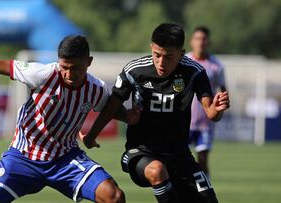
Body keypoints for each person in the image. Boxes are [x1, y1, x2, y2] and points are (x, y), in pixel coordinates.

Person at [0, 35, 136, 203]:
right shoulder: (42, 74)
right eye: (64, 67)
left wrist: (127, 116)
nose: (68, 74)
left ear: (89, 61)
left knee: (114, 196)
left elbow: (111, 108)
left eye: (75, 68)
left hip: (65, 159)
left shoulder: (96, 89)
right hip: (23, 157)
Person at [82, 23, 230, 203]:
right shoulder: (135, 71)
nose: (161, 62)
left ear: (181, 54)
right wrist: (91, 136)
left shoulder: (194, 72)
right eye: (157, 55)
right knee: (157, 171)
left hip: (180, 156)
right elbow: (111, 106)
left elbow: (212, 114)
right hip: (141, 153)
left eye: (168, 57)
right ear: (151, 47)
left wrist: (218, 108)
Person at [187, 26, 227, 178]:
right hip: (185, 121)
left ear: (208, 42)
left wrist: (221, 106)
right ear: (192, 41)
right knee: (180, 159)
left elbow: (222, 90)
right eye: (197, 39)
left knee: (202, 159)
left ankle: (205, 193)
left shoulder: (216, 65)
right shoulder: (185, 62)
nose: (200, 42)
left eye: (203, 39)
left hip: (205, 123)